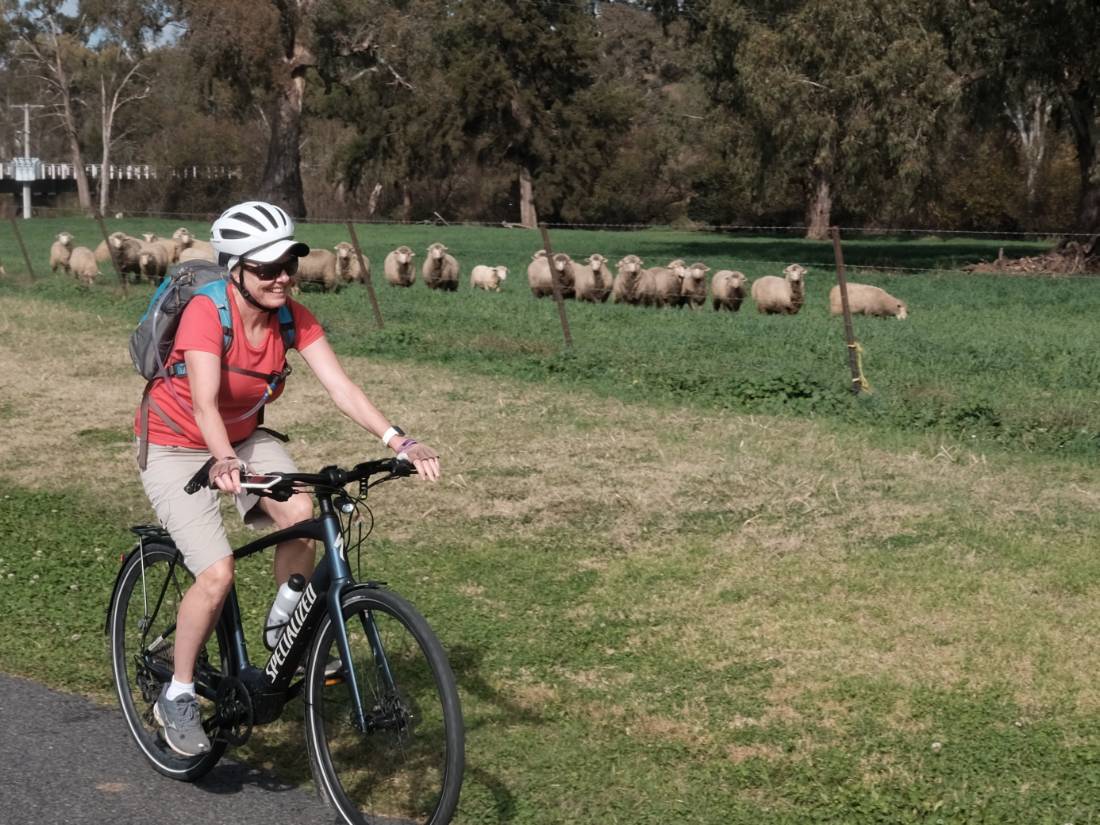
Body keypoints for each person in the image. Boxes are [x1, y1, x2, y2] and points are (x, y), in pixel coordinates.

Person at [134, 200, 440, 757]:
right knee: (217, 573)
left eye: (289, 264)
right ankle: (177, 693)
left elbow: (341, 388)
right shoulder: (208, 311)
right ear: (236, 270)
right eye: (267, 268)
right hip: (177, 445)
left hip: (244, 437)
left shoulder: (290, 316)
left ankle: (285, 626)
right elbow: (203, 403)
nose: (283, 277)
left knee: (304, 513)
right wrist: (224, 461)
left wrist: (399, 439)